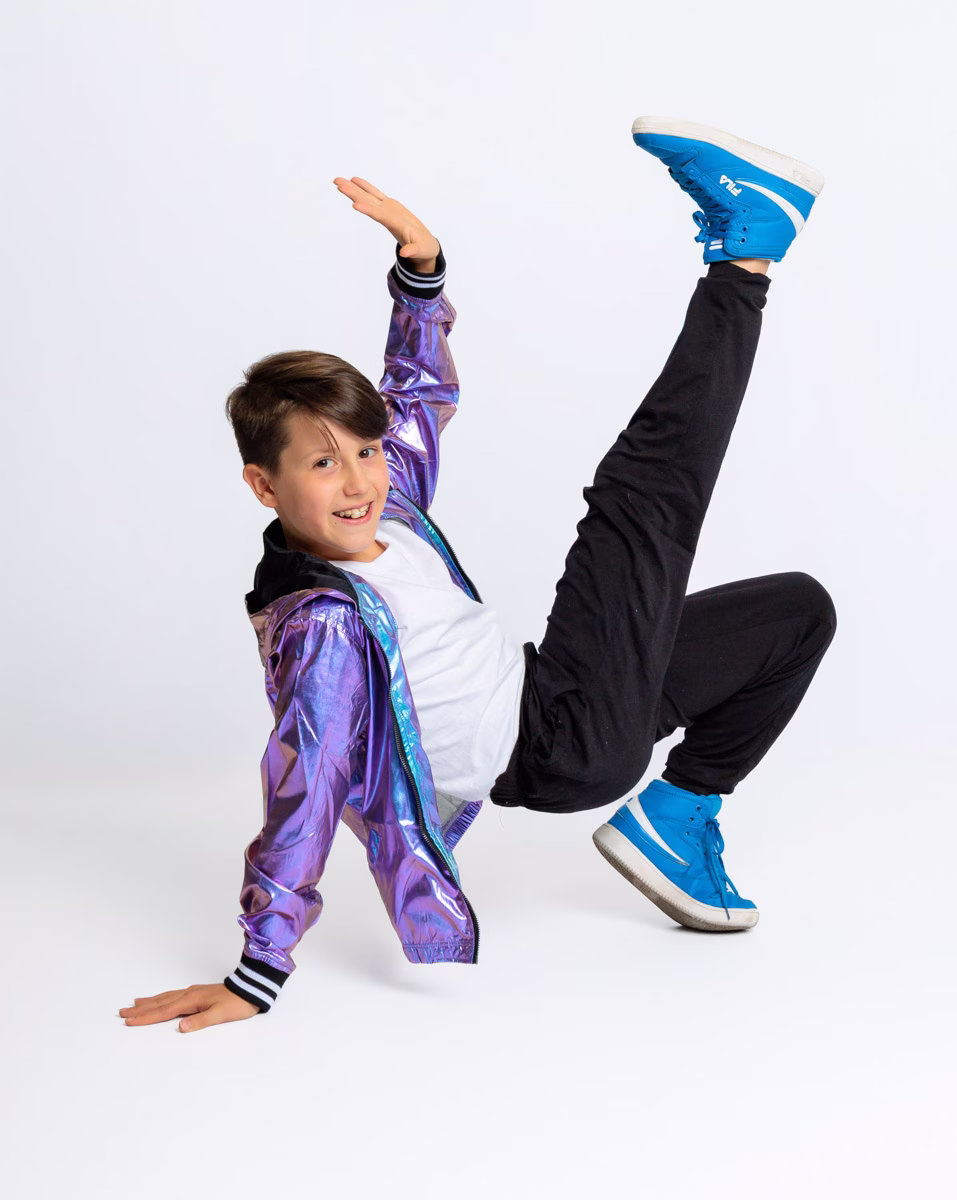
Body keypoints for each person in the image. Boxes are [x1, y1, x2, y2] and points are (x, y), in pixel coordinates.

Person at [119, 117, 837, 1034]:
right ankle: (748, 256)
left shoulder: (387, 508)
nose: (359, 481)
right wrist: (259, 969)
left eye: (366, 453)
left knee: (796, 614)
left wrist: (420, 273)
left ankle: (680, 817)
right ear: (265, 485)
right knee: (642, 502)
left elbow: (415, 394)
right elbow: (303, 788)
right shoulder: (320, 626)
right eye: (323, 464)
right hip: (560, 742)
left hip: (556, 693)